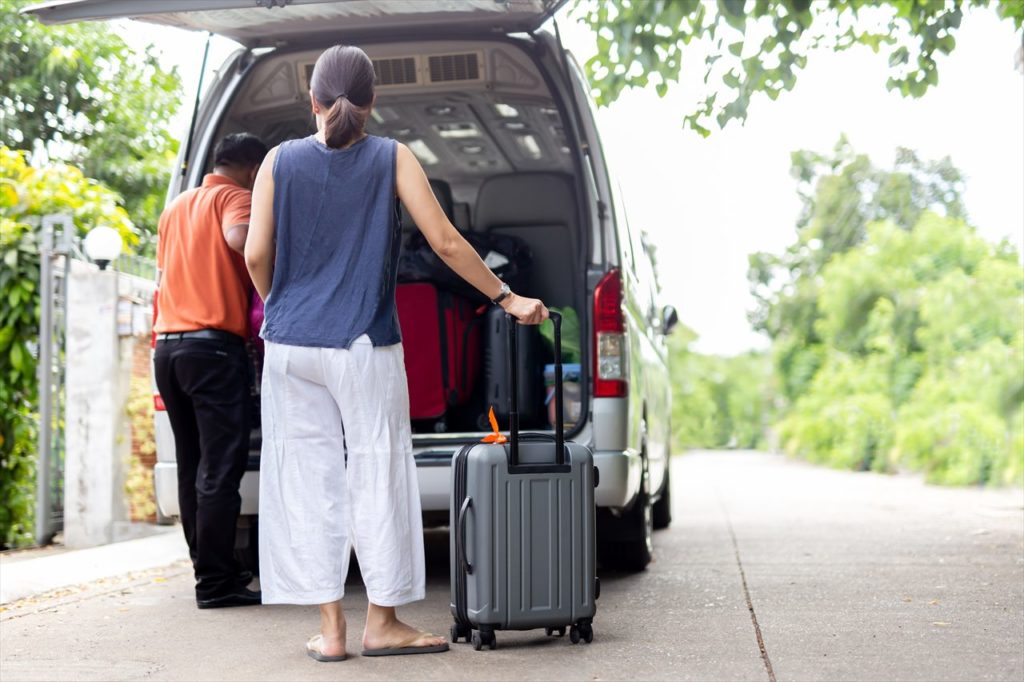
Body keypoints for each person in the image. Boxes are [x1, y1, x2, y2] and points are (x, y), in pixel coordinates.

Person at [244, 44, 548, 662]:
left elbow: (254, 254)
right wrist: (507, 297)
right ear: (373, 102)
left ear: (313, 100)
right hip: (362, 347)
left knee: (308, 478)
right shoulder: (392, 157)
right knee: (377, 473)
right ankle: (380, 623)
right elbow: (444, 242)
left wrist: (283, 307)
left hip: (290, 348)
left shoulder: (277, 160)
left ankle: (330, 632)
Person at [154, 133, 269, 609]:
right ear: (251, 168)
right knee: (220, 470)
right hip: (213, 350)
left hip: (169, 349)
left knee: (192, 466)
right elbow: (240, 239)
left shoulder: (176, 207)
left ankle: (209, 567)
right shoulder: (235, 196)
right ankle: (217, 585)